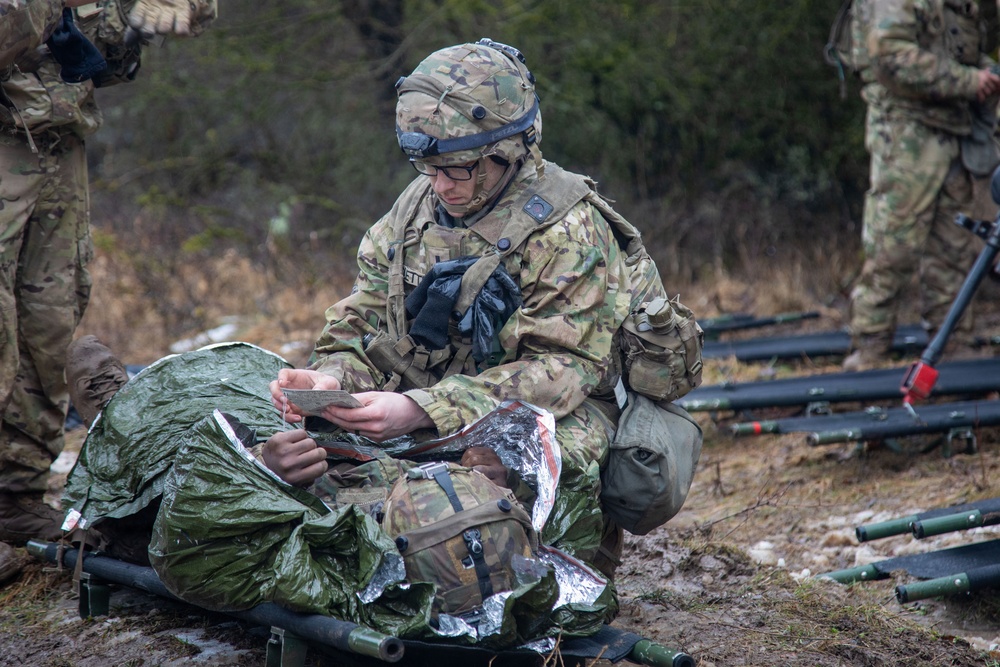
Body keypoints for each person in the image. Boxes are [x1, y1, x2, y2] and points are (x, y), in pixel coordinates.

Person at [262, 39, 694, 579]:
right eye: (426, 165)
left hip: (554, 411)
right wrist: (328, 379)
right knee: (297, 458)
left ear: (509, 149)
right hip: (437, 396)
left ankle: (555, 583)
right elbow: (364, 320)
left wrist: (420, 410)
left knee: (498, 472)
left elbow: (563, 373)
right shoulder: (415, 211)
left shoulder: (568, 229)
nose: (440, 184)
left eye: (458, 169)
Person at [0, 0, 216, 577]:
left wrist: (134, 20)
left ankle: (14, 496)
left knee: (48, 320)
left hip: (53, 141)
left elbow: (94, 62)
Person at [843, 0, 1000, 371]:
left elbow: (962, 47)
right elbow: (890, 57)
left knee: (953, 245)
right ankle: (870, 346)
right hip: (906, 132)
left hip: (953, 126)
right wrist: (969, 81)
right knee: (894, 243)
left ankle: (953, 342)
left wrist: (983, 72)